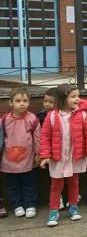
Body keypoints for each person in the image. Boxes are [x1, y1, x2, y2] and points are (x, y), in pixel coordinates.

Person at [39, 84, 87, 227]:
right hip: (58, 157)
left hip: (75, 155)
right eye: (73, 96)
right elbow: (45, 136)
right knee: (56, 185)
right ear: (63, 98)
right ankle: (53, 210)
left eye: (78, 96)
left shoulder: (83, 114)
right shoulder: (52, 116)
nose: (77, 99)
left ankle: (73, 206)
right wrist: (45, 155)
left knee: (74, 182)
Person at [1, 87, 41, 218]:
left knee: (29, 183)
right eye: (18, 101)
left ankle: (30, 205)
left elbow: (37, 137)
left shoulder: (32, 118)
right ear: (11, 103)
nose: (22, 103)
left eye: (25, 100)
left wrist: (38, 153)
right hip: (9, 158)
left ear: (29, 102)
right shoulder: (5, 119)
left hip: (28, 158)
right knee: (13, 184)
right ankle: (17, 205)